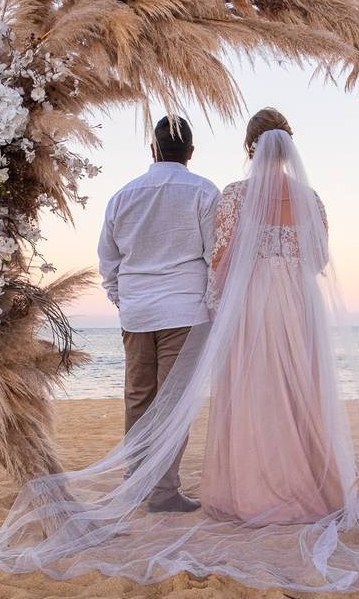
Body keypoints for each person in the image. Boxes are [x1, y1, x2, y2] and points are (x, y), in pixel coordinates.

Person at [0, 109, 359, 593]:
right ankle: (256, 483)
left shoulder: (204, 196)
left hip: (190, 306)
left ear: (248, 147)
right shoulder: (285, 197)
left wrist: (163, 299)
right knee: (297, 389)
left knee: (171, 394)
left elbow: (204, 257)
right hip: (279, 304)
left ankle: (164, 482)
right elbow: (314, 258)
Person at [96, 115, 220, 512]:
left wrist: (122, 298)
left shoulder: (123, 196)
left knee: (138, 398)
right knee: (172, 403)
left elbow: (108, 259)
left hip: (136, 311)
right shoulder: (203, 192)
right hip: (184, 309)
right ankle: (163, 492)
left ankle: (136, 484)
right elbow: (212, 256)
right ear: (191, 153)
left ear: (152, 149)